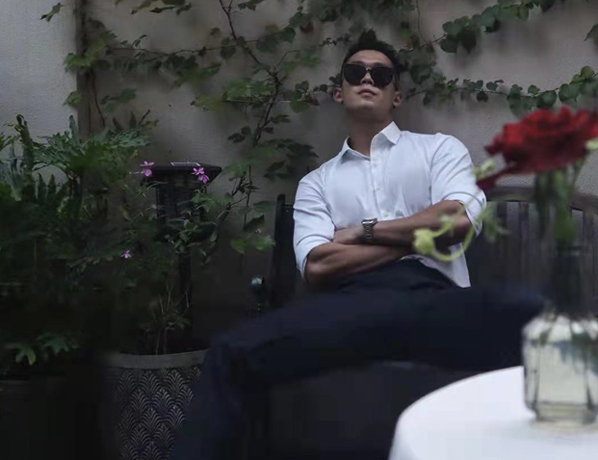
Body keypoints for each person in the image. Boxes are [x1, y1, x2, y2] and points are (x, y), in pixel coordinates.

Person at [173, 30, 543, 460]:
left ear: (396, 96)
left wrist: (361, 232)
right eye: (356, 72)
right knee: (230, 352)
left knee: (536, 315)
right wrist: (417, 240)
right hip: (348, 308)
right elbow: (318, 266)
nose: (368, 78)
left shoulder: (438, 150)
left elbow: (456, 221)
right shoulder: (317, 183)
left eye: (381, 75)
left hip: (433, 300)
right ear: (339, 91)